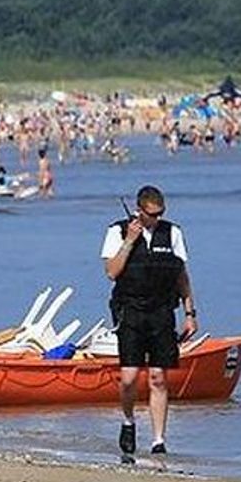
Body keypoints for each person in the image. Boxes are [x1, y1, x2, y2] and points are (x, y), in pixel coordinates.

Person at [101, 185, 197, 461]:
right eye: (151, 215)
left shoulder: (173, 233)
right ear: (139, 210)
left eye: (160, 214)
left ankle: (158, 440)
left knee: (158, 377)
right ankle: (129, 421)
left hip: (162, 311)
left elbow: (182, 276)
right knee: (129, 378)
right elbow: (112, 272)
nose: (155, 219)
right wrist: (129, 241)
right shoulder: (117, 231)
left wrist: (190, 313)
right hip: (130, 310)